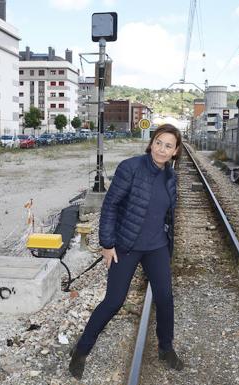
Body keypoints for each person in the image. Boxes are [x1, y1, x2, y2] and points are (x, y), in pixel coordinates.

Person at [69, 124, 184, 379]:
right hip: (126, 246)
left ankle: (166, 349)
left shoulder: (171, 177)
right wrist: (107, 244)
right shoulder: (130, 168)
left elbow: (167, 214)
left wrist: (167, 245)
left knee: (165, 298)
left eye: (168, 146)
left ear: (175, 152)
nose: (162, 149)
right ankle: (81, 350)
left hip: (157, 248)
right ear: (151, 143)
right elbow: (110, 206)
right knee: (113, 301)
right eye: (158, 143)